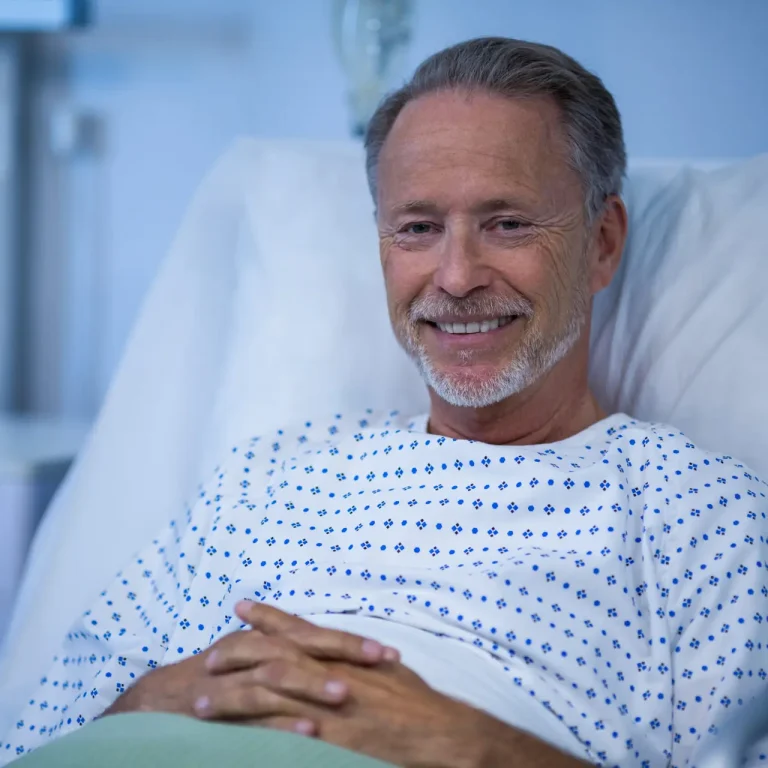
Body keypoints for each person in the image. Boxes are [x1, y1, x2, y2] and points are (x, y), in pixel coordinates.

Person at [2, 37, 767, 768]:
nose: (456, 276)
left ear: (602, 243)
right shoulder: (268, 478)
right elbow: (35, 734)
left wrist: (476, 749)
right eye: (418, 228)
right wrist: (142, 703)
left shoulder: (700, 517)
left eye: (507, 224)